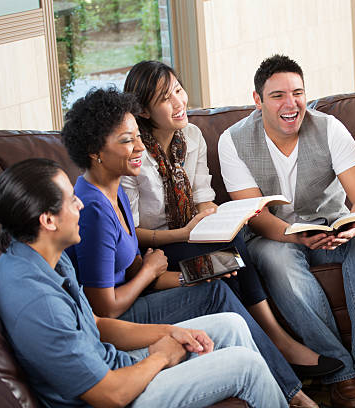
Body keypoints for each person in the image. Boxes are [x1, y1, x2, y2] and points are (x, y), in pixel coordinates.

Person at [61, 87, 316, 407]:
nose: (140, 147)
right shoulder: (93, 210)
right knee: (215, 295)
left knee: (217, 281)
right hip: (118, 316)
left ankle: (287, 392)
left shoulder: (115, 190)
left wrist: (189, 276)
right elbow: (104, 308)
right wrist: (151, 269)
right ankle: (292, 395)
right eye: (127, 140)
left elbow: (135, 270)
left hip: (134, 297)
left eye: (138, 136)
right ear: (94, 151)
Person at [0, 158, 286, 407]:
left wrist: (173, 331)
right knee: (246, 367)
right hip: (111, 394)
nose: (80, 204)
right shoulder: (37, 301)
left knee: (231, 324)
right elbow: (111, 394)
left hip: (112, 365)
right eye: (71, 200)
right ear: (48, 221)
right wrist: (160, 358)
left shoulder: (45, 253)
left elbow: (97, 324)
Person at [121, 60, 342, 378]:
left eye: (179, 91)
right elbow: (130, 232)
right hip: (156, 249)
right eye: (165, 99)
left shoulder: (192, 136)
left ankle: (265, 346)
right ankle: (275, 341)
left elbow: (203, 199)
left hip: (189, 237)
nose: (179, 103)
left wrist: (212, 215)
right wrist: (182, 234)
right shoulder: (134, 154)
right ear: (144, 111)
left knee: (230, 246)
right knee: (229, 253)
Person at [218, 54, 355, 408]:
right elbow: (255, 213)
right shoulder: (233, 140)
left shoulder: (329, 128)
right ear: (257, 100)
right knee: (276, 260)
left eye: (297, 93)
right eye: (278, 95)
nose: (290, 103)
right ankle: (339, 371)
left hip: (332, 224)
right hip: (272, 235)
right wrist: (293, 235)